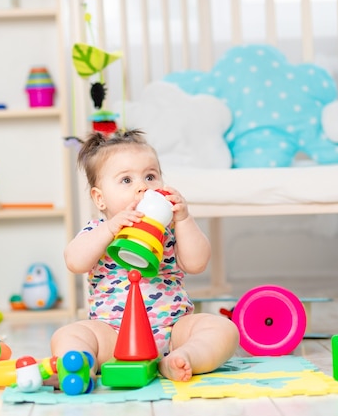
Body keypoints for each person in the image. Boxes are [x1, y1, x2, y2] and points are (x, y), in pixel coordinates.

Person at [51, 129, 239, 382]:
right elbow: (74, 261)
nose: (142, 187)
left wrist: (183, 218)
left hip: (172, 331)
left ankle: (184, 357)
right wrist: (109, 229)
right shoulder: (97, 231)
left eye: (150, 176)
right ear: (100, 198)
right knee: (68, 334)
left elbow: (197, 263)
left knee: (223, 329)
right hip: (114, 335)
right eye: (126, 180)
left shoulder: (170, 230)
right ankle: (80, 363)